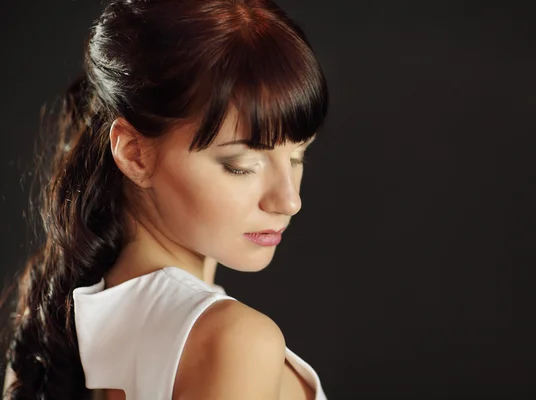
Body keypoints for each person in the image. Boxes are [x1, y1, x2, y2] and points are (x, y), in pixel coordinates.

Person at [0, 0, 329, 398]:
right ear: (135, 154)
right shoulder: (237, 340)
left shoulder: (49, 331)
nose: (289, 200)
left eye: (297, 156)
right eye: (242, 164)